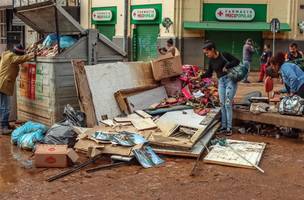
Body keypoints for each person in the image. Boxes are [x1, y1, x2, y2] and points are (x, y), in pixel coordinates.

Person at [201, 40, 240, 136]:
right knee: (222, 104)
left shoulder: (224, 55)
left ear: (212, 49)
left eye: (207, 52)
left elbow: (237, 61)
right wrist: (199, 77)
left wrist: (227, 65)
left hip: (230, 80)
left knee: (227, 104)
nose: (206, 55)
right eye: (205, 53)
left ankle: (229, 128)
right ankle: (223, 127)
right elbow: (209, 73)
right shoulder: (211, 61)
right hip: (221, 82)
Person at [0, 44, 34, 134]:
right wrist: (31, 55)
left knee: (3, 106)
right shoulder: (11, 57)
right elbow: (18, 59)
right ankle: (3, 127)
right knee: (5, 107)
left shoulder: (6, 54)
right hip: (4, 84)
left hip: (2, 83)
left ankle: (5, 124)